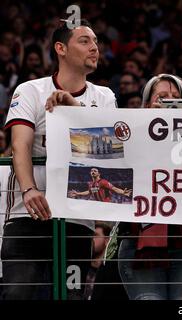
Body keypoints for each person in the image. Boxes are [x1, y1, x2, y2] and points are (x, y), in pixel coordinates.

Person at [1, 19, 116, 300]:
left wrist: (73, 109)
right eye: (85, 41)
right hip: (25, 213)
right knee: (17, 295)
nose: (94, 48)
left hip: (77, 218)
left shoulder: (105, 97)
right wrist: (29, 190)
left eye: (96, 42)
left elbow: (105, 153)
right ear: (61, 48)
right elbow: (20, 144)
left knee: (71, 297)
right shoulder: (30, 90)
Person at [118, 73, 182, 300]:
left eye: (176, 97)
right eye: (162, 97)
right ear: (146, 105)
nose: (169, 101)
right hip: (140, 246)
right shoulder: (130, 135)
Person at [68, 167, 132, 202]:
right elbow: (89, 192)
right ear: (90, 173)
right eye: (92, 171)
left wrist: (123, 192)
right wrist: (77, 193)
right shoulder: (91, 184)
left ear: (99, 174)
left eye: (95, 171)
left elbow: (114, 188)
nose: (93, 172)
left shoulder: (103, 182)